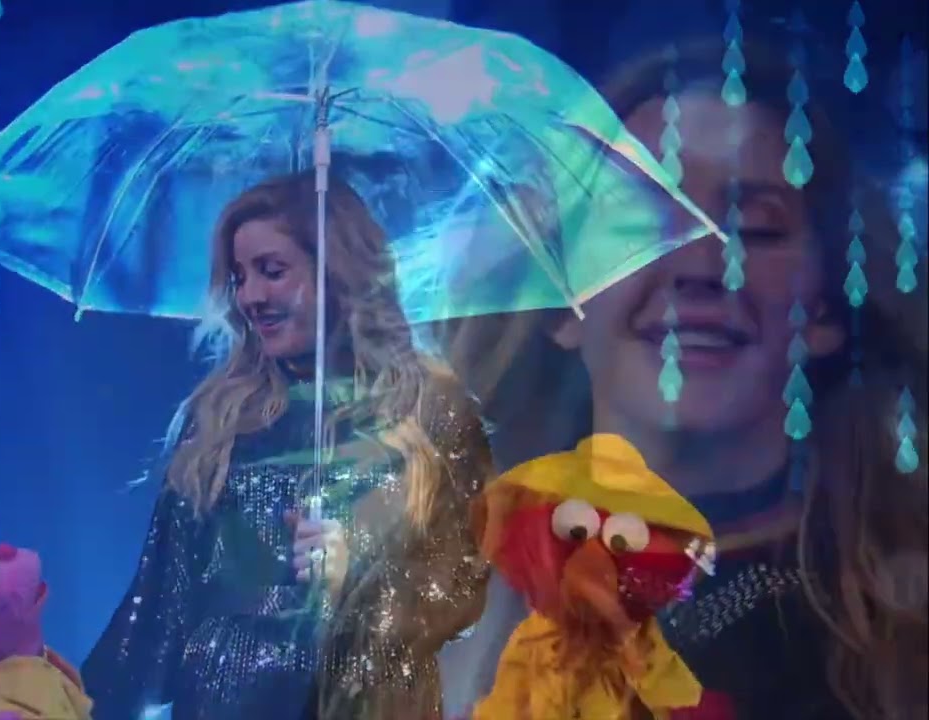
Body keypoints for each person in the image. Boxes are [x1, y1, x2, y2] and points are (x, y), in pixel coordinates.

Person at [439, 40, 927, 720]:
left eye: (755, 229)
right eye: (638, 221)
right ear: (562, 305)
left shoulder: (904, 632)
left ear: (824, 310)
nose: (700, 264)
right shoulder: (433, 592)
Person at [81, 170, 494, 720]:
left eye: (272, 271)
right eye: (238, 277)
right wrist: (62, 701)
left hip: (374, 703)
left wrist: (357, 581)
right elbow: (157, 608)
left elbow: (462, 581)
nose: (250, 296)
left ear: (339, 271)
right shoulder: (219, 417)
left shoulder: (430, 408)